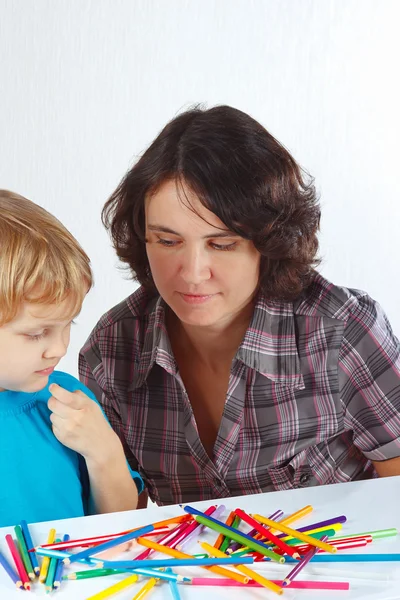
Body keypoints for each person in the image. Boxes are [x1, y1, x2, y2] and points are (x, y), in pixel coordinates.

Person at [79, 105, 400, 508]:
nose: (192, 273)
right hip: (189, 572)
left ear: (268, 243)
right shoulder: (111, 349)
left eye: (222, 244)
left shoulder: (340, 331)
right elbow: (118, 529)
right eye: (167, 241)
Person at [0, 191, 143, 527]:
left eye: (68, 324)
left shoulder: (65, 400)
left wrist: (104, 452)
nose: (60, 348)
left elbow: (118, 522)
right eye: (36, 333)